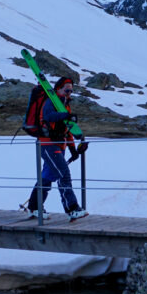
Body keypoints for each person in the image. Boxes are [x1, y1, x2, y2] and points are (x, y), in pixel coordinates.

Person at [21, 76, 89, 221]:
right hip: (47, 144)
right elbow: (48, 116)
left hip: (58, 145)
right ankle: (72, 209)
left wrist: (73, 150)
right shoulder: (51, 101)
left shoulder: (65, 105)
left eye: (71, 90)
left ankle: (34, 208)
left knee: (46, 178)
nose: (69, 92)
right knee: (63, 174)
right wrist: (66, 115)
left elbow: (67, 130)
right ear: (58, 88)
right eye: (66, 89)